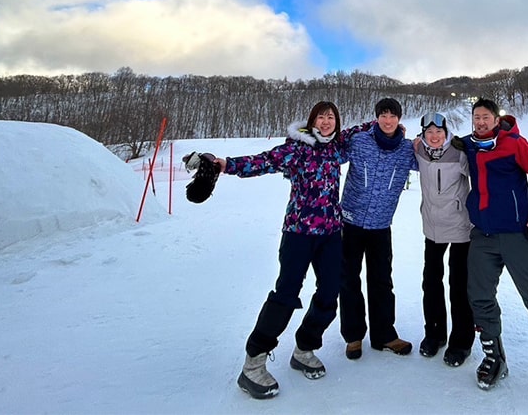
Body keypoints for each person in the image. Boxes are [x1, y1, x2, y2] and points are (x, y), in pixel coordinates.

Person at [198, 102, 371, 400]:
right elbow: (262, 161)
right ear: (312, 121)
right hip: (298, 234)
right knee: (286, 295)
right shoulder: (297, 149)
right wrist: (223, 164)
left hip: (330, 234)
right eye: (321, 117)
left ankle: (305, 348)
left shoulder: (337, 148)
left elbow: (358, 130)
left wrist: (382, 125)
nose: (327, 122)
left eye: (331, 117)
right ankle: (254, 361)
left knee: (330, 294)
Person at [453, 98, 528, 410]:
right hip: (482, 235)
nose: (480, 123)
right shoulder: (467, 145)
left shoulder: (515, 144)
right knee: (478, 296)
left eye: (485, 118)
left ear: (496, 120)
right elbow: (436, 145)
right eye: (476, 117)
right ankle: (495, 358)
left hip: (518, 236)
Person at [340, 97, 418, 359]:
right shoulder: (360, 141)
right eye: (383, 115)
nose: (387, 120)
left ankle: (384, 335)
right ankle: (353, 337)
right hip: (350, 221)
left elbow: (434, 159)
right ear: (376, 118)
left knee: (382, 280)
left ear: (399, 119)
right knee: (348, 279)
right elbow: (331, 151)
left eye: (392, 115)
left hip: (381, 225)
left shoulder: (408, 149)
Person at [413, 111, 475, 367]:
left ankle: (461, 342)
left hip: (460, 227)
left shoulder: (459, 152)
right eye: (429, 132)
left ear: (446, 131)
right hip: (433, 228)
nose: (435, 136)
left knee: (459, 285)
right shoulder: (418, 150)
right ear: (423, 134)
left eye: (439, 132)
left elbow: (482, 173)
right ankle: (435, 334)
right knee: (431, 282)